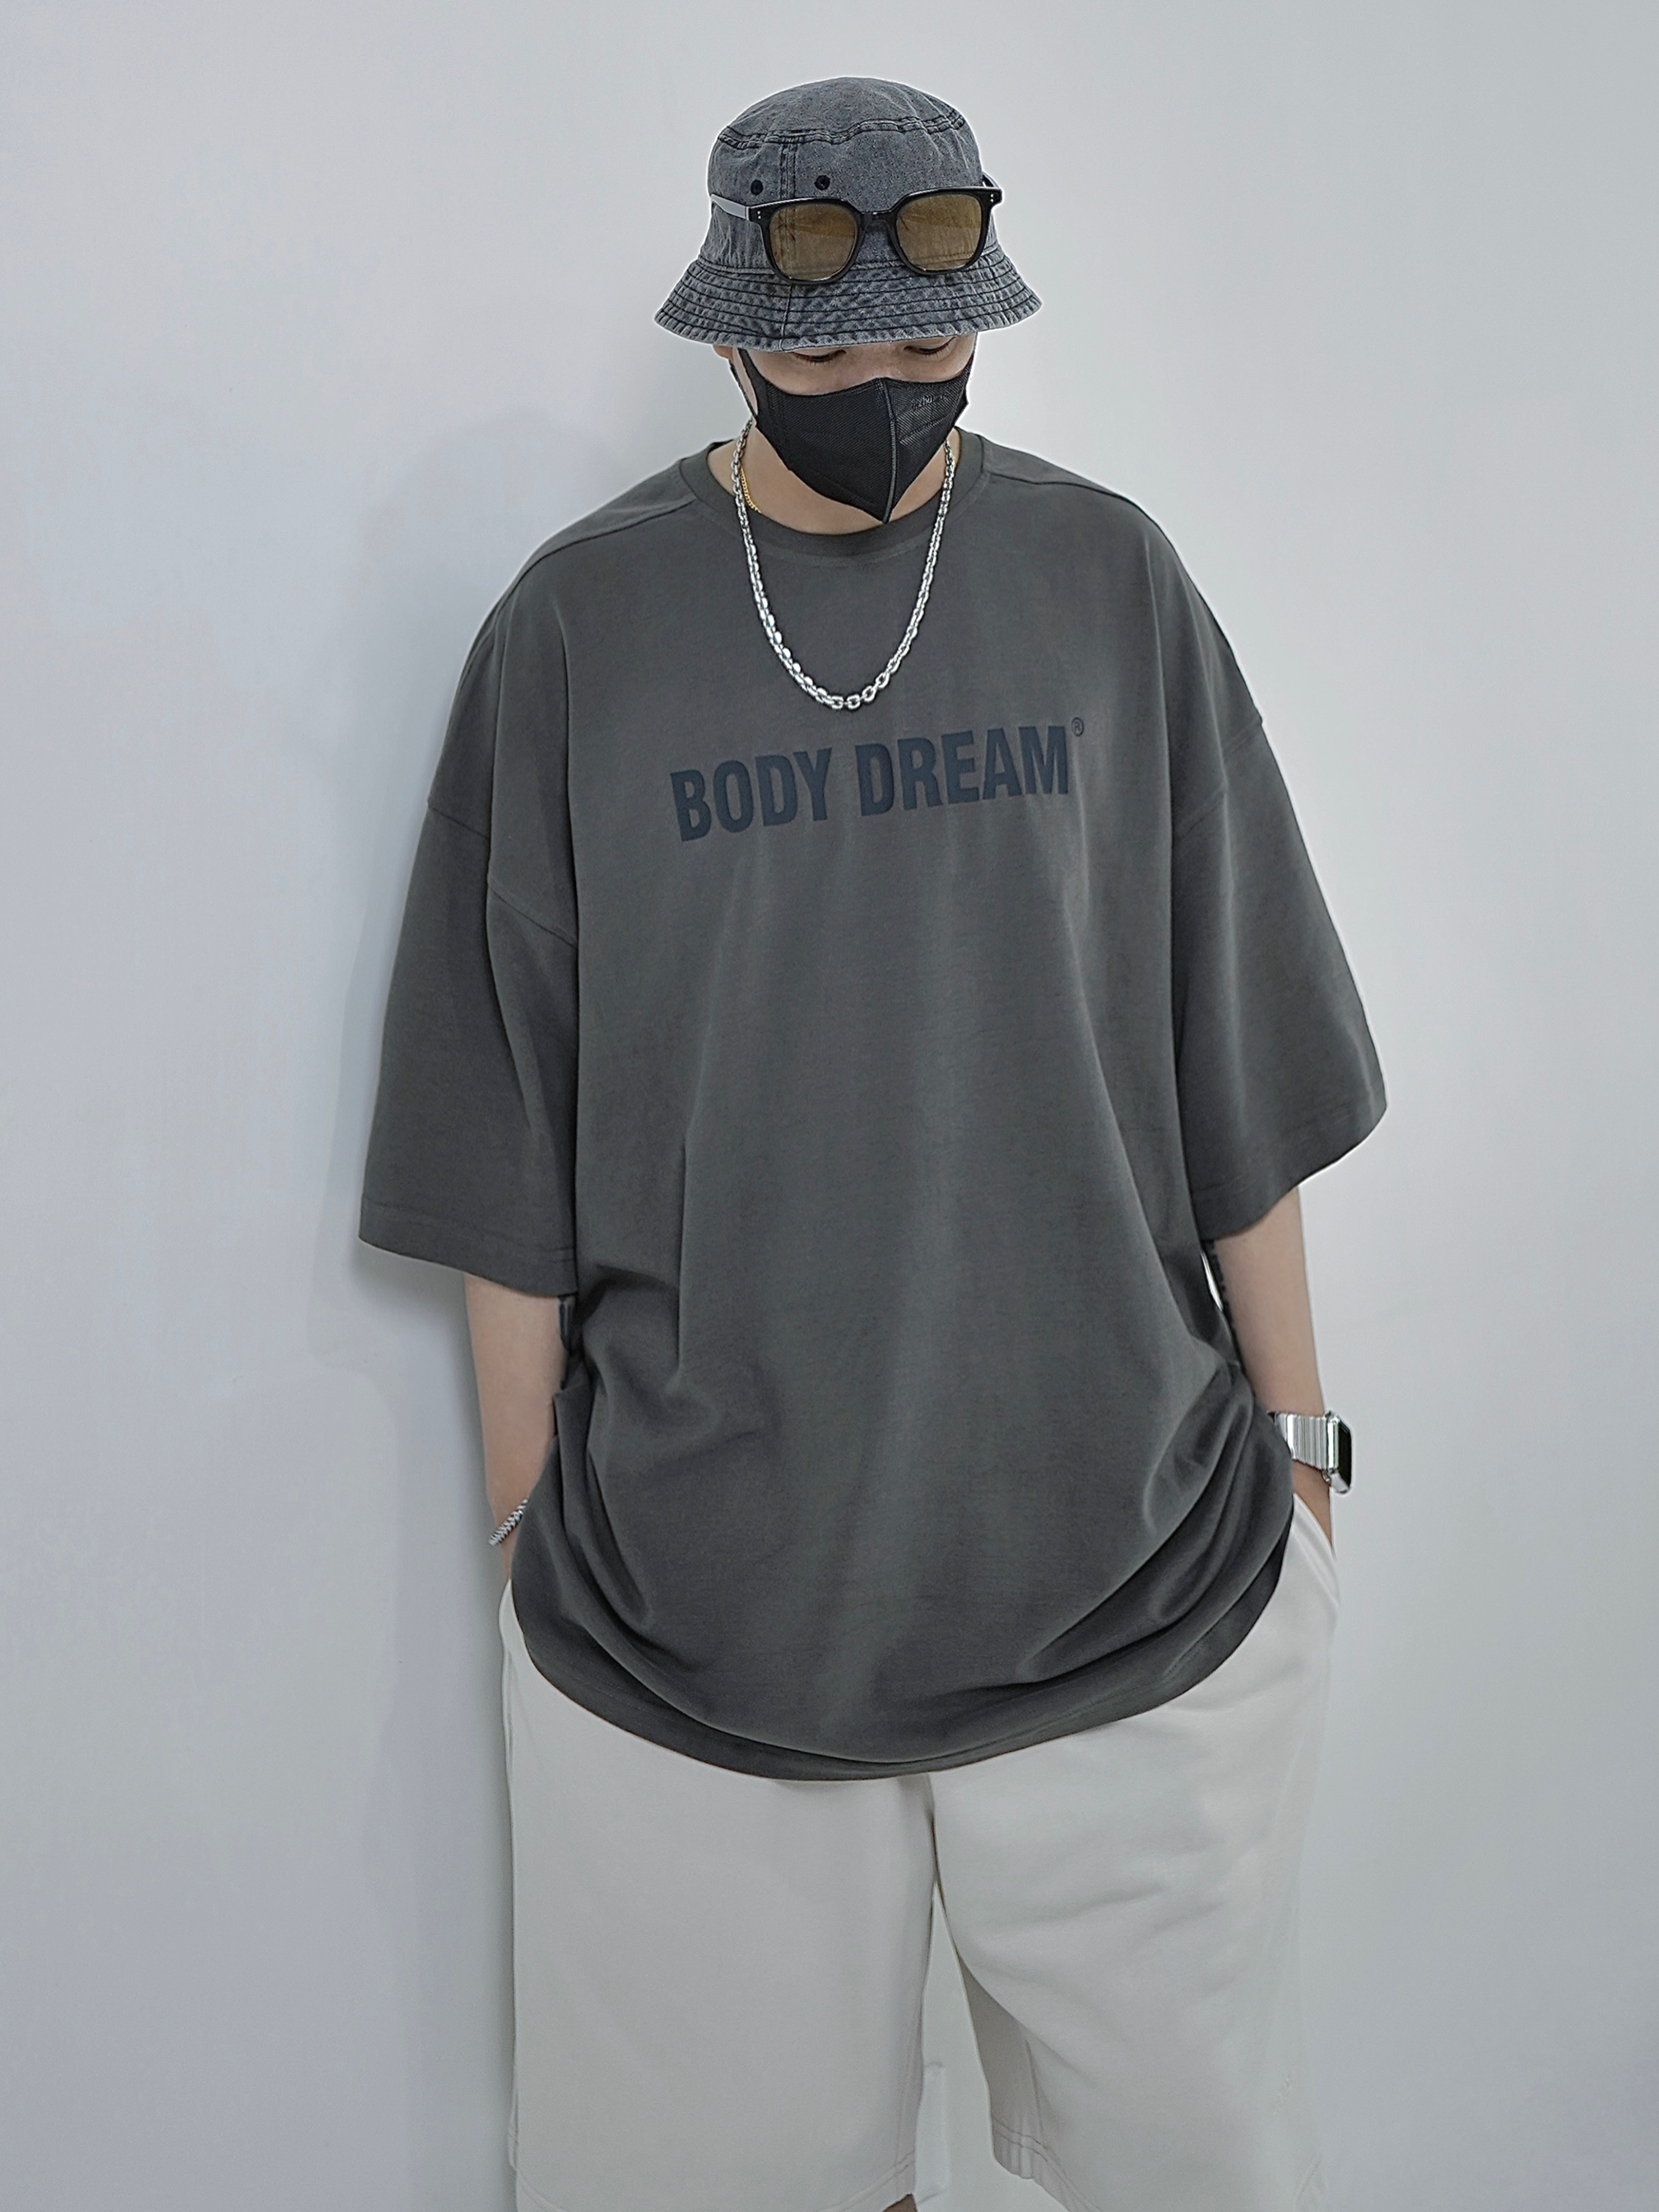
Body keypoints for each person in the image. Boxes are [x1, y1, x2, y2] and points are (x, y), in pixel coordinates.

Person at [360, 73, 1386, 2212]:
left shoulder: (1107, 580)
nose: (887, 395)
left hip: (1133, 1572)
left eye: (928, 344)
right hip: (694, 1612)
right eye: (828, 355)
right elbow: (500, 1116)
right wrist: (522, 1529)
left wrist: (1303, 1453)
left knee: (1204, 2173)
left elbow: (1238, 1042)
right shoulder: (579, 630)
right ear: (738, 336)